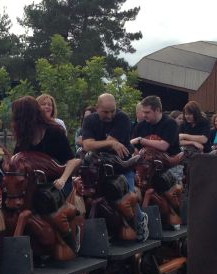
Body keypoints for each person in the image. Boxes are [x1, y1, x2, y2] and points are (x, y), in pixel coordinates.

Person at [81, 93, 148, 240]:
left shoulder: (122, 118)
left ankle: (140, 219)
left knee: (127, 198)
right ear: (97, 108)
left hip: (122, 166)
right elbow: (86, 145)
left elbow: (99, 142)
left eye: (113, 111)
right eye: (105, 112)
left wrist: (104, 143)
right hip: (99, 168)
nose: (110, 115)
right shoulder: (89, 120)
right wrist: (110, 144)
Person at [11, 96, 80, 191]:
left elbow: (72, 161)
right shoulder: (24, 137)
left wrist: (62, 180)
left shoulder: (55, 131)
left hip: (56, 183)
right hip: (32, 185)